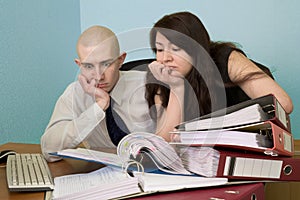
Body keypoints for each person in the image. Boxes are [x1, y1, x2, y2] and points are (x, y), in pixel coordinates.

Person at [145, 11, 293, 141]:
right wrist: (177, 87)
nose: (165, 58)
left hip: (253, 144)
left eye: (175, 48)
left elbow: (283, 104)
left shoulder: (225, 59)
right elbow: (164, 143)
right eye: (159, 49)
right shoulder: (161, 75)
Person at [41, 25, 155, 162]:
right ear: (79, 65)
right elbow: (49, 150)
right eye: (88, 66)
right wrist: (97, 109)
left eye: (106, 64)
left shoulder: (148, 86)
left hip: (151, 174)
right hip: (102, 176)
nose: (99, 76)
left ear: (121, 60)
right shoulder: (75, 93)